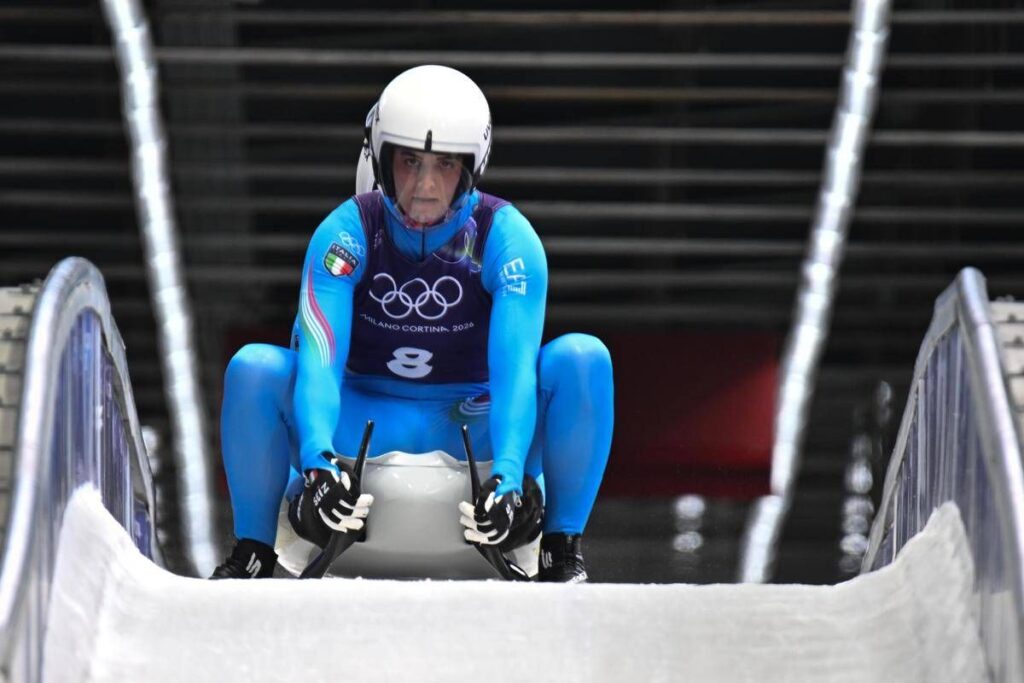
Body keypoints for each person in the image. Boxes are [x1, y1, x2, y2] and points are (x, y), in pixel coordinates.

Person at [211, 65, 613, 583]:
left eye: (445, 165)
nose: (424, 187)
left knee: (582, 359)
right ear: (380, 160)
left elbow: (515, 371)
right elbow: (320, 355)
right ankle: (253, 550)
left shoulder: (509, 239)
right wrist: (316, 461)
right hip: (360, 428)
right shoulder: (344, 233)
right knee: (254, 368)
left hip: (475, 423)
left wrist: (510, 475)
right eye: (408, 162)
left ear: (473, 167)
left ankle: (561, 547)